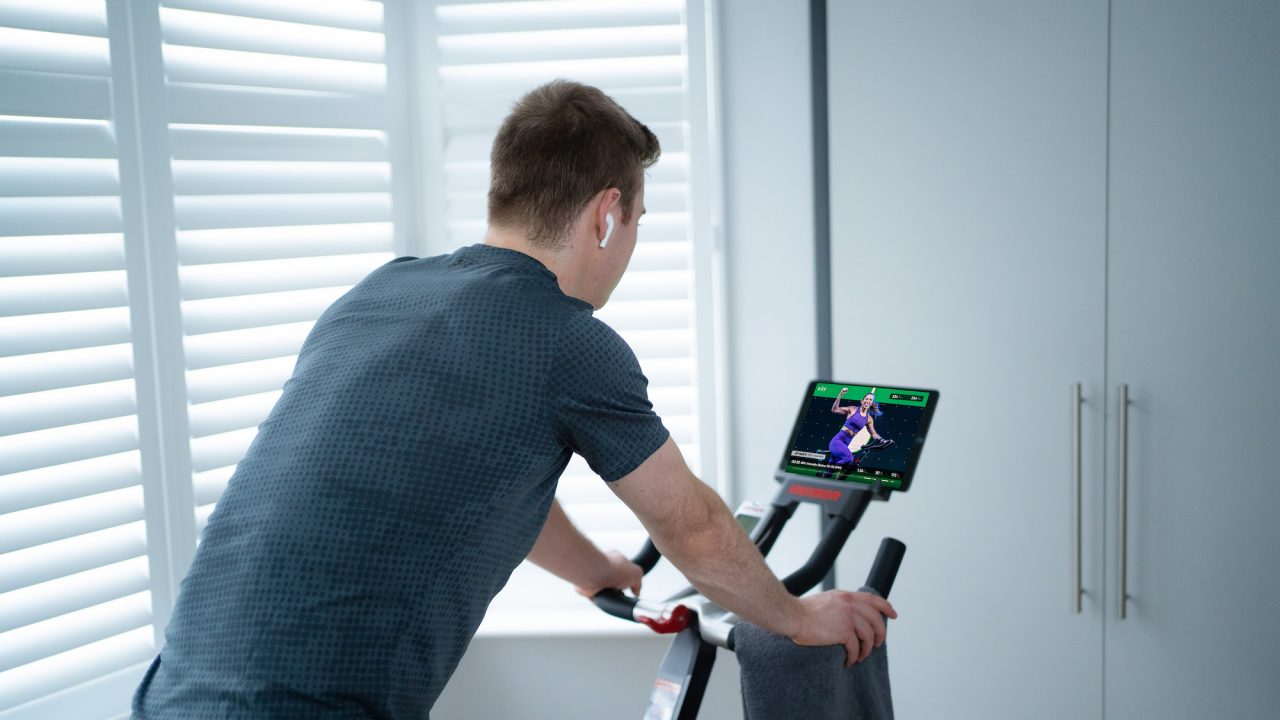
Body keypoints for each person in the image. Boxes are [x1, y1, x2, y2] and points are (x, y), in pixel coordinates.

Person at [131, 80, 896, 719]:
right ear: (606, 215)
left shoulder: (385, 290)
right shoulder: (565, 338)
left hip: (175, 689)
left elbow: (479, 477)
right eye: (635, 223)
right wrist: (799, 618)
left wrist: (591, 566)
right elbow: (689, 523)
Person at [826, 389, 886, 477]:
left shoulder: (869, 419)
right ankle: (838, 475)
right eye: (867, 399)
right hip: (837, 441)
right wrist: (840, 394)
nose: (868, 401)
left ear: (871, 403)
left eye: (870, 400)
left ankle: (826, 476)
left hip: (845, 444)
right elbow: (834, 409)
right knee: (849, 458)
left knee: (827, 474)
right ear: (862, 401)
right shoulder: (852, 409)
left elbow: (873, 434)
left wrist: (882, 440)